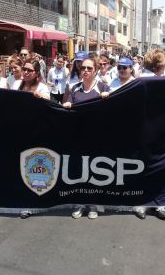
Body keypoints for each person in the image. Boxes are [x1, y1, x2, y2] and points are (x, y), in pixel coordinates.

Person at [63, 55, 110, 220]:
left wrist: (108, 98)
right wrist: (67, 105)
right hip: (78, 136)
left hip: (97, 136)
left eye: (89, 68)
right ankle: (80, 203)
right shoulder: (74, 89)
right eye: (83, 68)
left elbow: (114, 109)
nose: (86, 71)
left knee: (94, 171)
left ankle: (93, 204)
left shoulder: (103, 87)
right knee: (79, 170)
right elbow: (65, 107)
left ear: (95, 70)